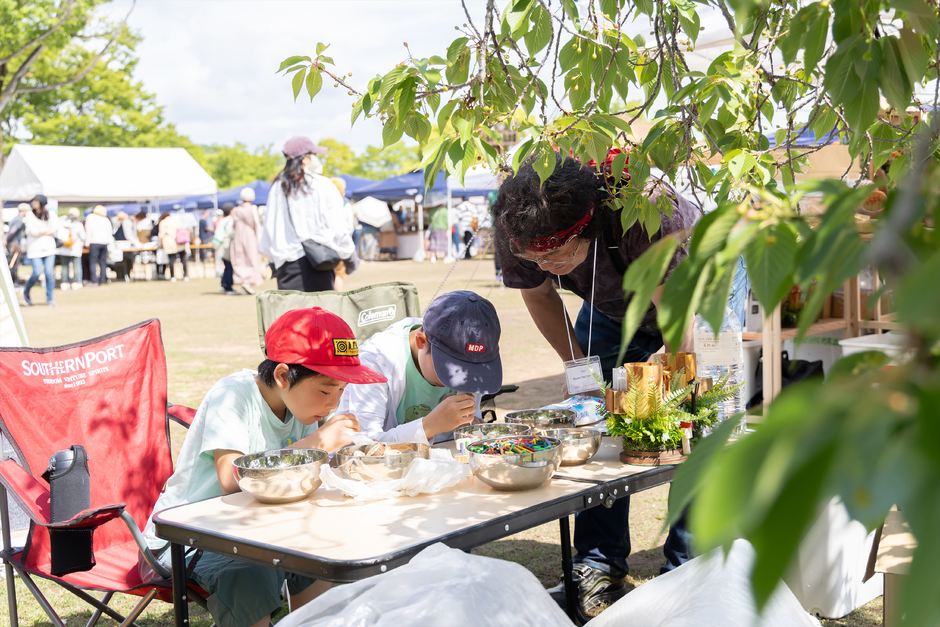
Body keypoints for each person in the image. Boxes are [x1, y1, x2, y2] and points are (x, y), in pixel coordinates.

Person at [493, 152, 748, 621]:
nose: (545, 266)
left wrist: (671, 367)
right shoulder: (519, 223)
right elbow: (539, 295)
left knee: (701, 414)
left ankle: (689, 568)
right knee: (594, 418)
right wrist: (580, 372)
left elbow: (681, 322)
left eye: (553, 256)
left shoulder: (648, 213)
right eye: (535, 258)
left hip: (701, 287)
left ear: (584, 226)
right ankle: (598, 563)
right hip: (612, 304)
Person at [141, 307, 386, 627]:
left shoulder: (303, 409)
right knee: (249, 572)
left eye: (341, 392)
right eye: (326, 390)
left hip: (261, 529)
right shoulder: (234, 395)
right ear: (283, 376)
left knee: (320, 550)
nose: (332, 405)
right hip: (187, 538)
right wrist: (318, 443)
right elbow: (230, 478)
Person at [336, 290, 502, 444]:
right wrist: (428, 427)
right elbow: (363, 446)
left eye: (474, 371)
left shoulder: (470, 353)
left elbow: (468, 426)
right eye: (452, 371)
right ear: (421, 341)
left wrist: (471, 427)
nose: (461, 382)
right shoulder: (376, 360)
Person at [260, 136, 354, 292]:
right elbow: (338, 225)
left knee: (295, 315)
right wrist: (347, 253)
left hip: (287, 267)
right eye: (314, 155)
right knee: (319, 315)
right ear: (305, 159)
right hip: (319, 262)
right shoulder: (321, 185)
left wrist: (272, 259)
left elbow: (269, 228)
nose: (317, 159)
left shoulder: (277, 188)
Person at [22, 195, 59, 306]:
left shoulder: (50, 214)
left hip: (49, 248)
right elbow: (31, 230)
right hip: (35, 249)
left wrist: (43, 231)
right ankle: (26, 291)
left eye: (36, 201)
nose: (34, 203)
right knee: (36, 273)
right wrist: (44, 231)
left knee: (49, 273)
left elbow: (55, 228)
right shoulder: (29, 215)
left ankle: (50, 299)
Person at [230, 187, 265, 295]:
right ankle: (249, 282)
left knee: (240, 259)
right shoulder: (253, 209)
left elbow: (233, 225)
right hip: (250, 236)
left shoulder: (236, 210)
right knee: (252, 258)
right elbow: (257, 225)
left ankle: (243, 281)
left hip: (238, 237)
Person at [56, 208, 86, 290]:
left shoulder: (62, 223)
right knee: (77, 266)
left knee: (64, 267)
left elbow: (58, 236)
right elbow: (83, 237)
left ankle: (64, 283)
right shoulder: (78, 225)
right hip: (75, 249)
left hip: (64, 249)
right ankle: (77, 282)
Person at [84, 205, 113, 286]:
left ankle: (94, 281)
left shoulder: (91, 217)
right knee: (103, 262)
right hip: (104, 243)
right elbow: (110, 232)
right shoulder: (106, 219)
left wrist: (87, 243)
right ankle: (103, 280)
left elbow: (88, 230)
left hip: (94, 242)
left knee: (93, 262)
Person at [157, 211, 190, 281]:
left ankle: (173, 276)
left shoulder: (163, 222)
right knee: (183, 259)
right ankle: (186, 276)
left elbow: (161, 235)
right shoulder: (176, 220)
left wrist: (160, 244)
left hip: (169, 243)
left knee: (171, 260)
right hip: (180, 242)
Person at [213, 203, 236, 295]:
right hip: (226, 246)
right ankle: (228, 287)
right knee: (229, 267)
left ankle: (223, 284)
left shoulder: (222, 221)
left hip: (220, 246)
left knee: (227, 267)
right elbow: (231, 233)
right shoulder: (229, 220)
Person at [5, 203, 29, 286]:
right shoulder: (18, 220)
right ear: (24, 211)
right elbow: (12, 232)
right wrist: (7, 241)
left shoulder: (15, 219)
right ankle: (13, 282)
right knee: (13, 264)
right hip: (15, 245)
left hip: (12, 244)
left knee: (12, 263)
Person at [113, 211, 138, 281]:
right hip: (124, 245)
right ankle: (125, 276)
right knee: (126, 261)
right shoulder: (124, 222)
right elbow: (129, 235)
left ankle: (123, 276)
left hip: (121, 245)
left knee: (123, 261)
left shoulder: (122, 222)